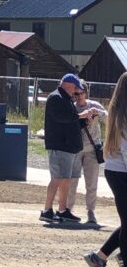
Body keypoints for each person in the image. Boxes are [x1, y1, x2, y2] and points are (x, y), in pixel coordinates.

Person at [84, 72, 127, 267]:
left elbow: (102, 112)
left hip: (116, 171)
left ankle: (99, 257)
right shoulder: (124, 116)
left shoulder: (116, 112)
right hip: (122, 173)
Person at [41, 73, 89, 223]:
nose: (76, 91)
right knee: (57, 178)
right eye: (75, 87)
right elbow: (61, 118)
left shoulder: (66, 99)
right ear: (68, 85)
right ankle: (47, 210)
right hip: (60, 145)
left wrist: (85, 120)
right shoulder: (56, 98)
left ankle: (62, 210)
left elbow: (71, 122)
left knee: (66, 179)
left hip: (69, 146)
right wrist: (81, 116)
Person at [68, 82, 107, 225]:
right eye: (75, 93)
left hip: (92, 149)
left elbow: (109, 118)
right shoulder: (71, 107)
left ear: (86, 92)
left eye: (80, 93)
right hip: (76, 149)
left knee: (91, 183)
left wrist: (98, 113)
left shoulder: (94, 105)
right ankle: (68, 209)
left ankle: (91, 211)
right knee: (72, 181)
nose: (78, 96)